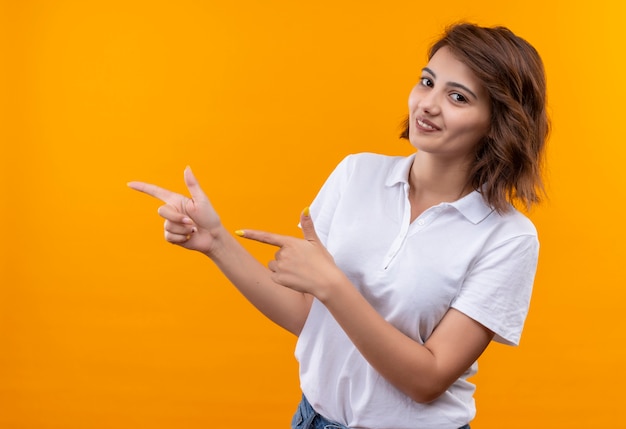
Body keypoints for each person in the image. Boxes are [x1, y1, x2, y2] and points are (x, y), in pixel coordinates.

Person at [128, 22, 549, 429]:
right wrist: (215, 241)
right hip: (313, 419)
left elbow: (429, 379)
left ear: (499, 122)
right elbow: (308, 318)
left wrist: (332, 284)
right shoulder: (356, 175)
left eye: (457, 97)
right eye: (427, 81)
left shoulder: (506, 236)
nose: (428, 104)